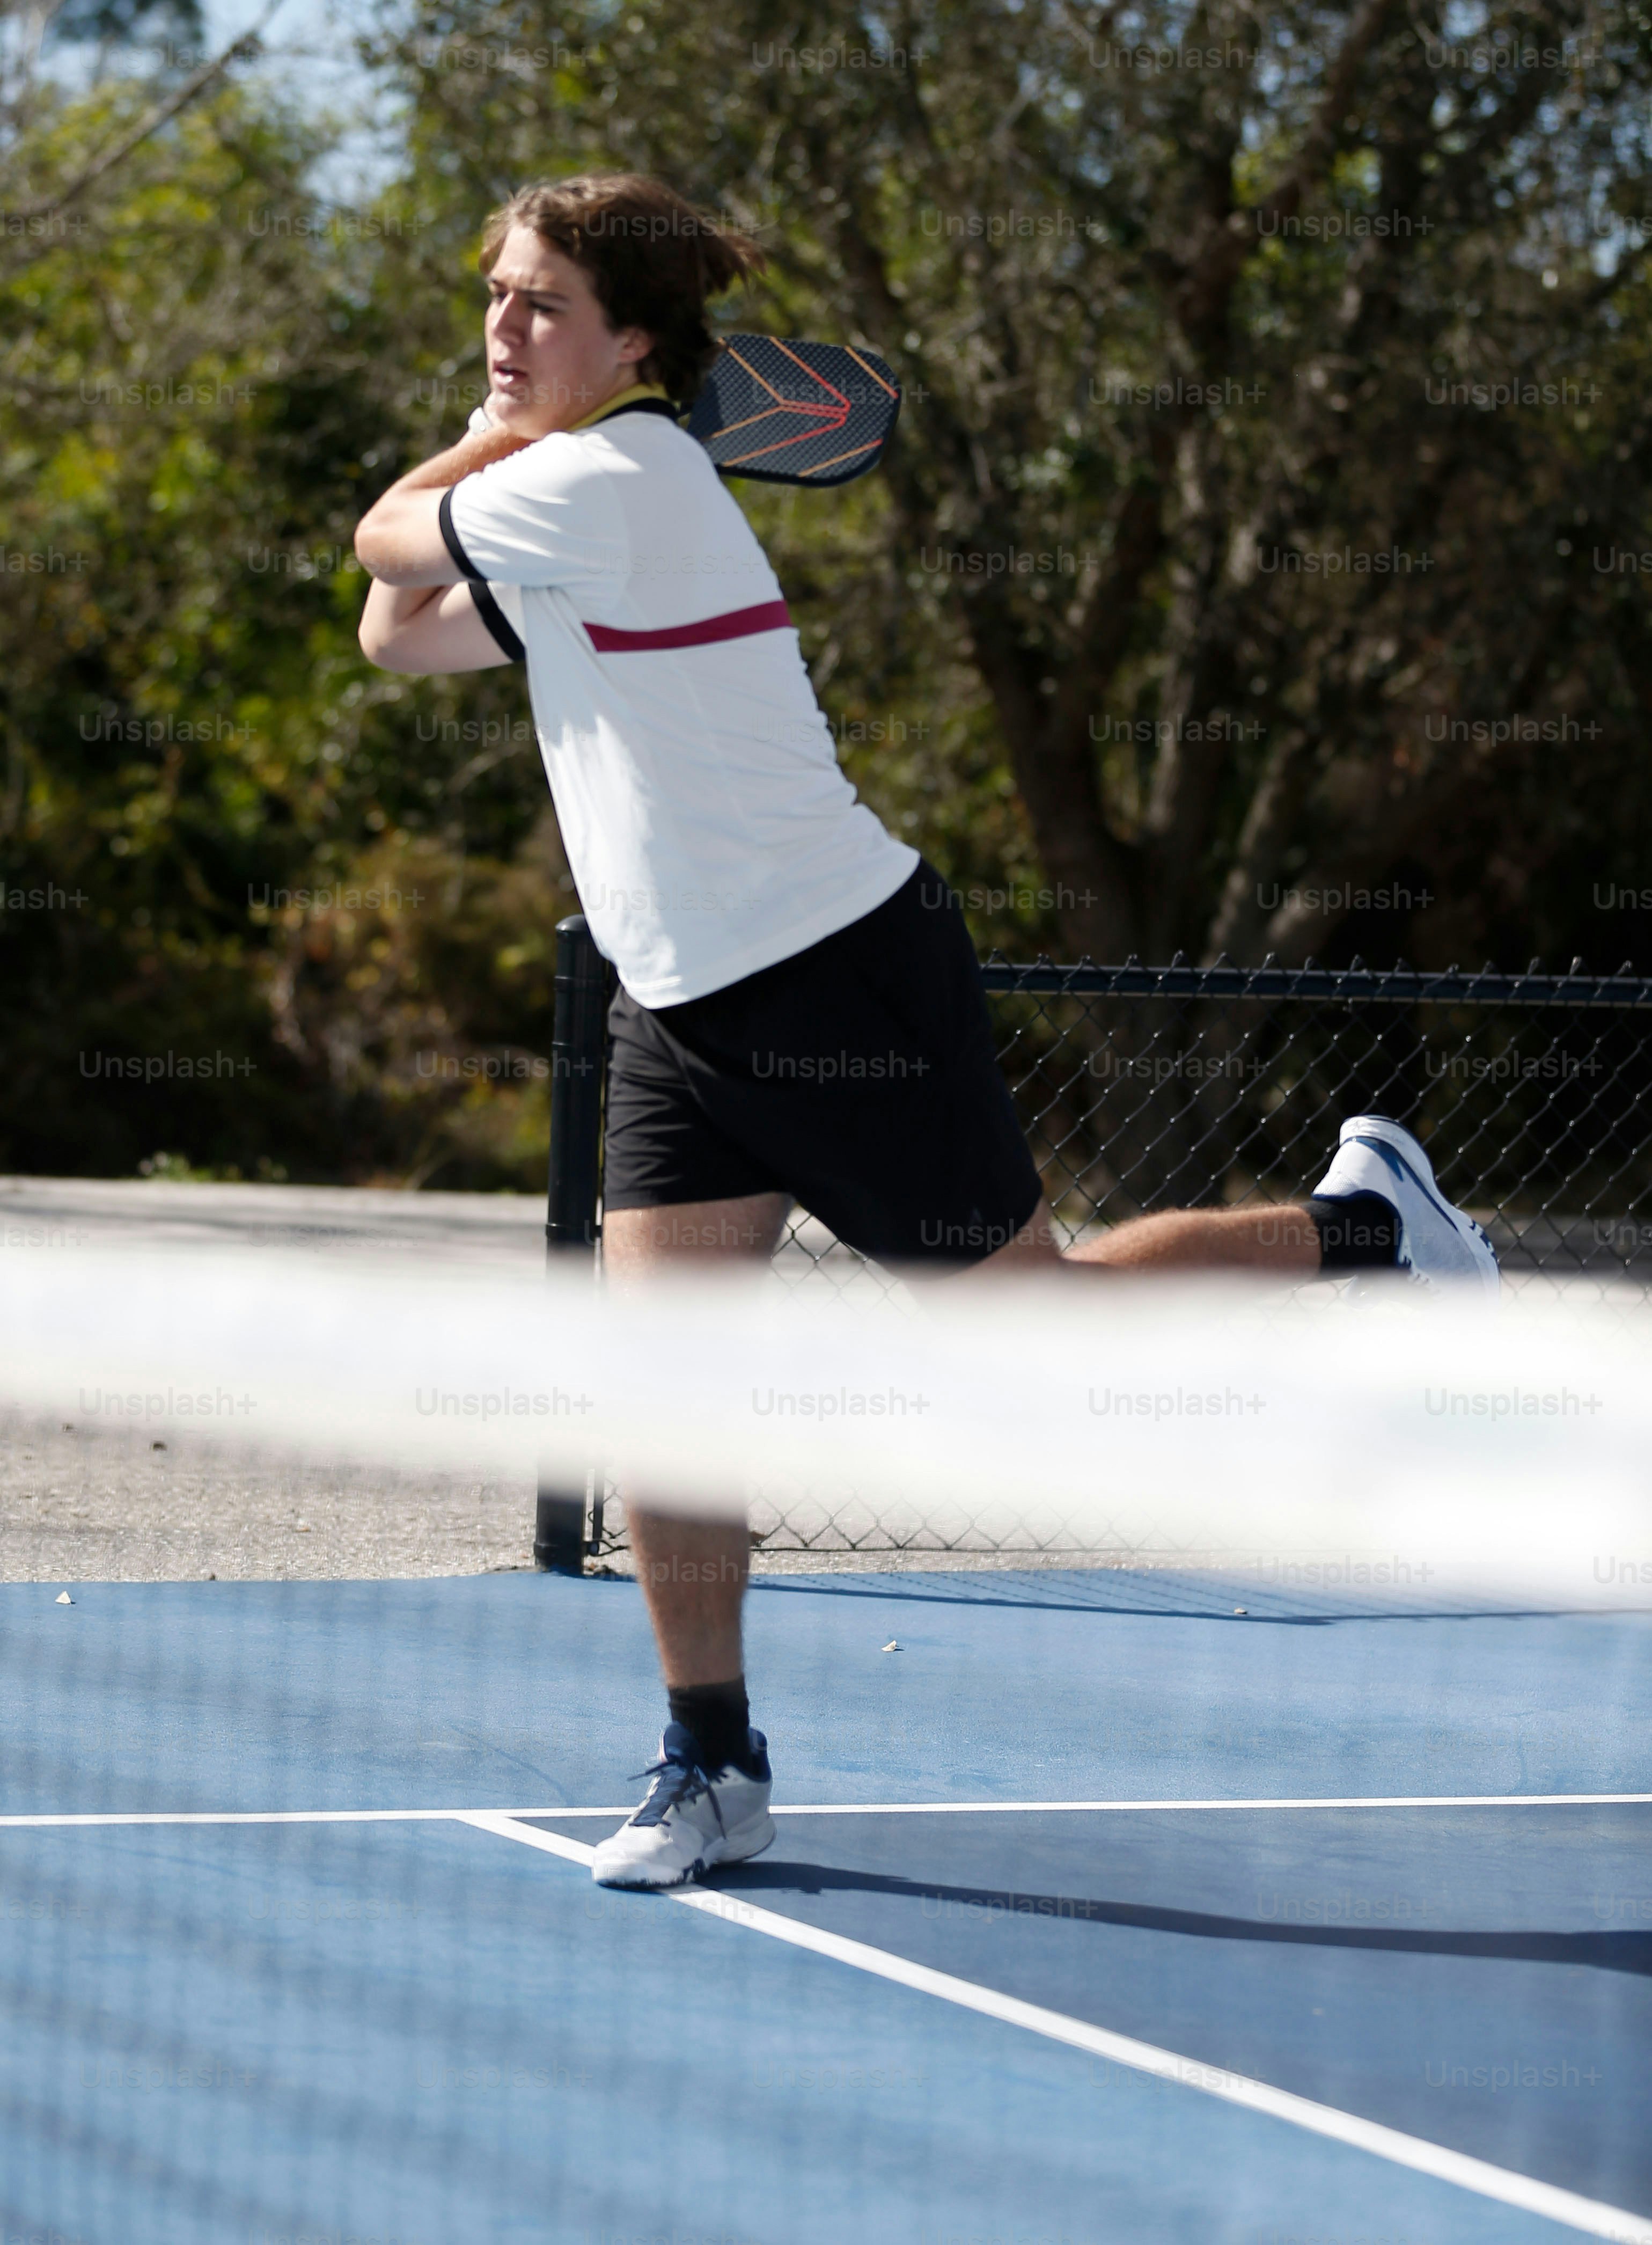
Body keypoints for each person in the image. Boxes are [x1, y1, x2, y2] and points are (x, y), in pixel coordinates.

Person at [353, 171, 1499, 1890]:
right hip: (680, 1009)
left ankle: (1367, 1219)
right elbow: (397, 640)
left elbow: (380, 540)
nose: (504, 328)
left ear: (638, 347)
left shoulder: (631, 473)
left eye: (542, 308)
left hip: (839, 978)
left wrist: (474, 441)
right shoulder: (571, 498)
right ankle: (712, 1764)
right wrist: (498, 439)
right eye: (497, 297)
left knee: (1036, 1329)